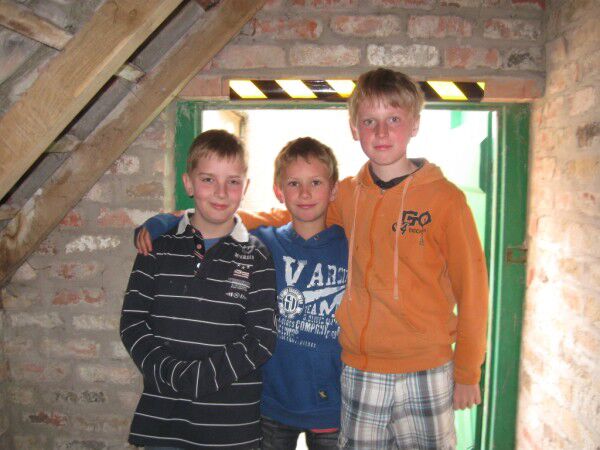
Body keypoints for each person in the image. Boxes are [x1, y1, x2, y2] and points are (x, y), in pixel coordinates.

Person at [137, 67, 489, 450]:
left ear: (415, 124)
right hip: (362, 369)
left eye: (393, 119)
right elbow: (285, 217)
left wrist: (468, 371)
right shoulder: (349, 195)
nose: (381, 132)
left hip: (427, 364)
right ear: (354, 128)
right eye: (369, 121)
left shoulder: (446, 199)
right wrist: (177, 219)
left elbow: (473, 290)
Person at [137, 137, 348, 450]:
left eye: (315, 182)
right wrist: (161, 222)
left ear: (333, 190)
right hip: (270, 401)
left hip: (330, 402)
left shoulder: (351, 247)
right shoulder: (261, 242)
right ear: (279, 190)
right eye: (294, 183)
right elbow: (211, 216)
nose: (305, 193)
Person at [120, 129, 277, 449]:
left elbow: (262, 337)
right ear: (188, 183)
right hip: (163, 420)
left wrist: (201, 378)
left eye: (233, 181)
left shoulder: (257, 255)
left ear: (245, 188)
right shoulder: (156, 247)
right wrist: (172, 373)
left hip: (231, 425)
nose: (221, 192)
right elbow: (132, 322)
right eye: (208, 179)